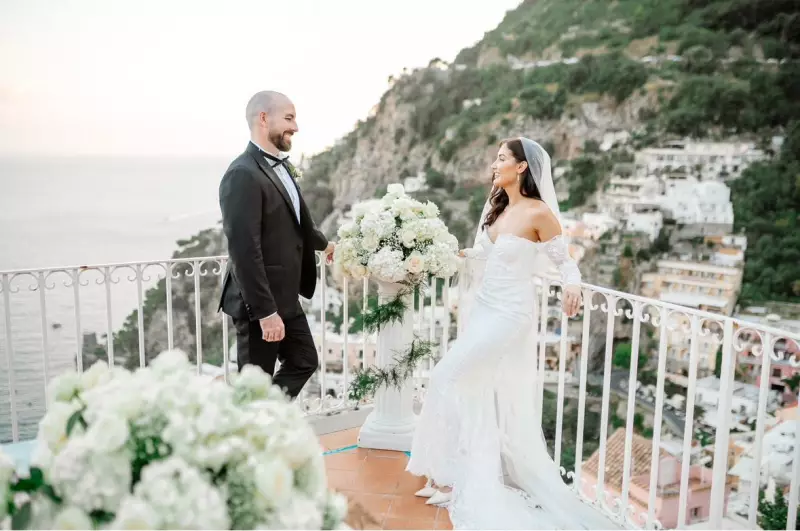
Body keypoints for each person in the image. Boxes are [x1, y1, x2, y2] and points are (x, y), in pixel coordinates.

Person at [406, 138, 620, 529]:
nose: (494, 163)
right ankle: (453, 476)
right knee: (468, 388)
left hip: (510, 314)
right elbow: (486, 254)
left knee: (445, 376)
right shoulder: (497, 207)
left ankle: (455, 475)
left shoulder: (539, 213)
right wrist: (455, 255)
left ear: (521, 167)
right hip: (484, 308)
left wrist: (572, 286)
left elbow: (565, 264)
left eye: (502, 158)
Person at [218, 91, 334, 399]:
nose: (295, 127)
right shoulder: (242, 174)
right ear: (263, 118)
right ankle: (251, 436)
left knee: (304, 360)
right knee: (253, 389)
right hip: (259, 303)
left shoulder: (279, 167)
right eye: (289, 118)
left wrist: (325, 245)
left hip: (286, 296)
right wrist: (266, 312)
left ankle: (268, 422)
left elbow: (299, 221)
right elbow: (244, 251)